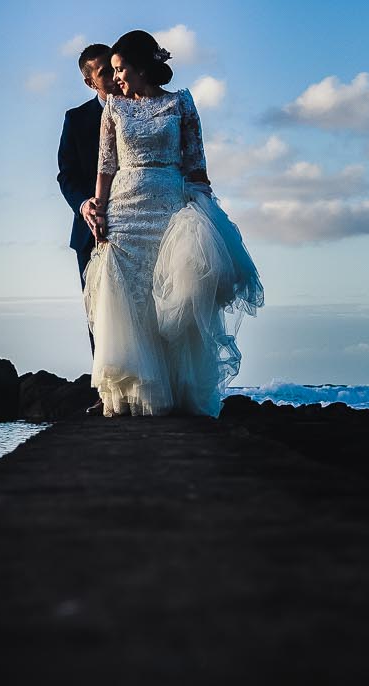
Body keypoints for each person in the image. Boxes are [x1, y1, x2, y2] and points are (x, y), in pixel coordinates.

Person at [81, 30, 262, 417]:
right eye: (112, 72)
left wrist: (207, 214)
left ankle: (178, 394)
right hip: (125, 212)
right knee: (128, 298)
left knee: (172, 297)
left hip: (170, 207)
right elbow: (106, 166)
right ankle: (137, 395)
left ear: (142, 67)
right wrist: (98, 209)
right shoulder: (113, 107)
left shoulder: (182, 104)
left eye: (121, 69)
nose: (116, 79)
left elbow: (197, 166)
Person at [59, 44, 115, 289]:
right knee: (101, 322)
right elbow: (67, 175)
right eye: (104, 72)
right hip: (91, 235)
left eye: (115, 67)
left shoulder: (146, 108)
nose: (114, 76)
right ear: (90, 82)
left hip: (144, 227)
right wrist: (84, 205)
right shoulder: (76, 119)